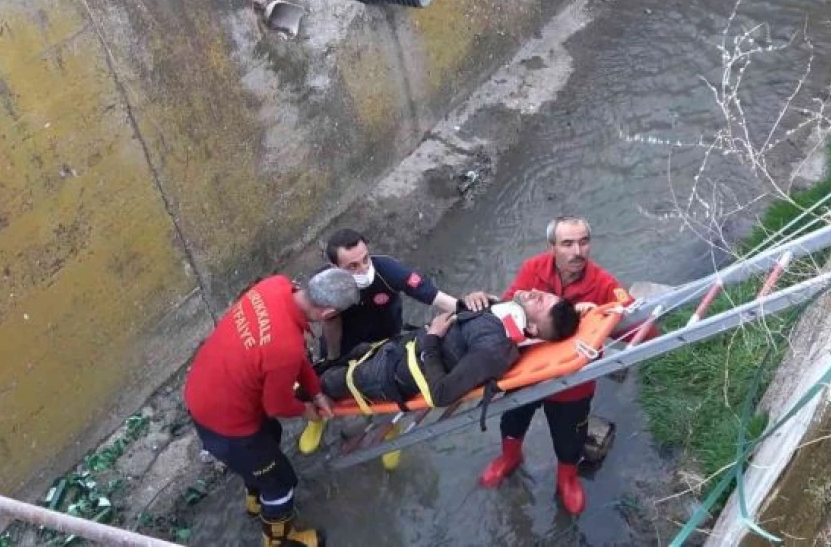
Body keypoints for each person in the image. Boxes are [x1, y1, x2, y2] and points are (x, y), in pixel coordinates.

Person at [469, 216, 634, 515]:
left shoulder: (604, 283)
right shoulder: (534, 269)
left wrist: (599, 317)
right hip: (525, 374)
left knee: (570, 437)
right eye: (567, 243)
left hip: (573, 384)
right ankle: (510, 457)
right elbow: (506, 311)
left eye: (583, 242)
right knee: (512, 420)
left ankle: (567, 478)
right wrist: (480, 301)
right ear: (552, 247)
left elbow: (637, 325)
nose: (577, 252)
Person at [184, 268, 359, 547]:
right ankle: (277, 539)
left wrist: (315, 391)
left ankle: (255, 499)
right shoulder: (284, 348)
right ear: (327, 314)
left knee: (270, 435)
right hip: (228, 424)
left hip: (203, 391)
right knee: (281, 482)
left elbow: (288, 356)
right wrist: (307, 410)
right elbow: (276, 403)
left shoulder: (275, 286)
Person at [299, 229, 489, 454]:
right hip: (344, 344)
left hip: (384, 343)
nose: (363, 269)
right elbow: (317, 324)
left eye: (365, 260)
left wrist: (473, 309)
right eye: (352, 266)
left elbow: (435, 297)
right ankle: (316, 419)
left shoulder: (387, 271)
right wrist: (331, 359)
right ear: (334, 268)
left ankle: (390, 428)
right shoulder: (323, 285)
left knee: (388, 385)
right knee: (321, 381)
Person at [317, 290, 579, 413]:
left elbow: (442, 395)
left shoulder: (493, 349)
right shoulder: (501, 314)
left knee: (327, 382)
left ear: (532, 326)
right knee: (341, 357)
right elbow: (468, 328)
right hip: (397, 347)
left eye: (540, 300)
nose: (534, 291)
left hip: (389, 373)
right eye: (544, 293)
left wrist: (432, 339)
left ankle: (305, 404)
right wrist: (473, 302)